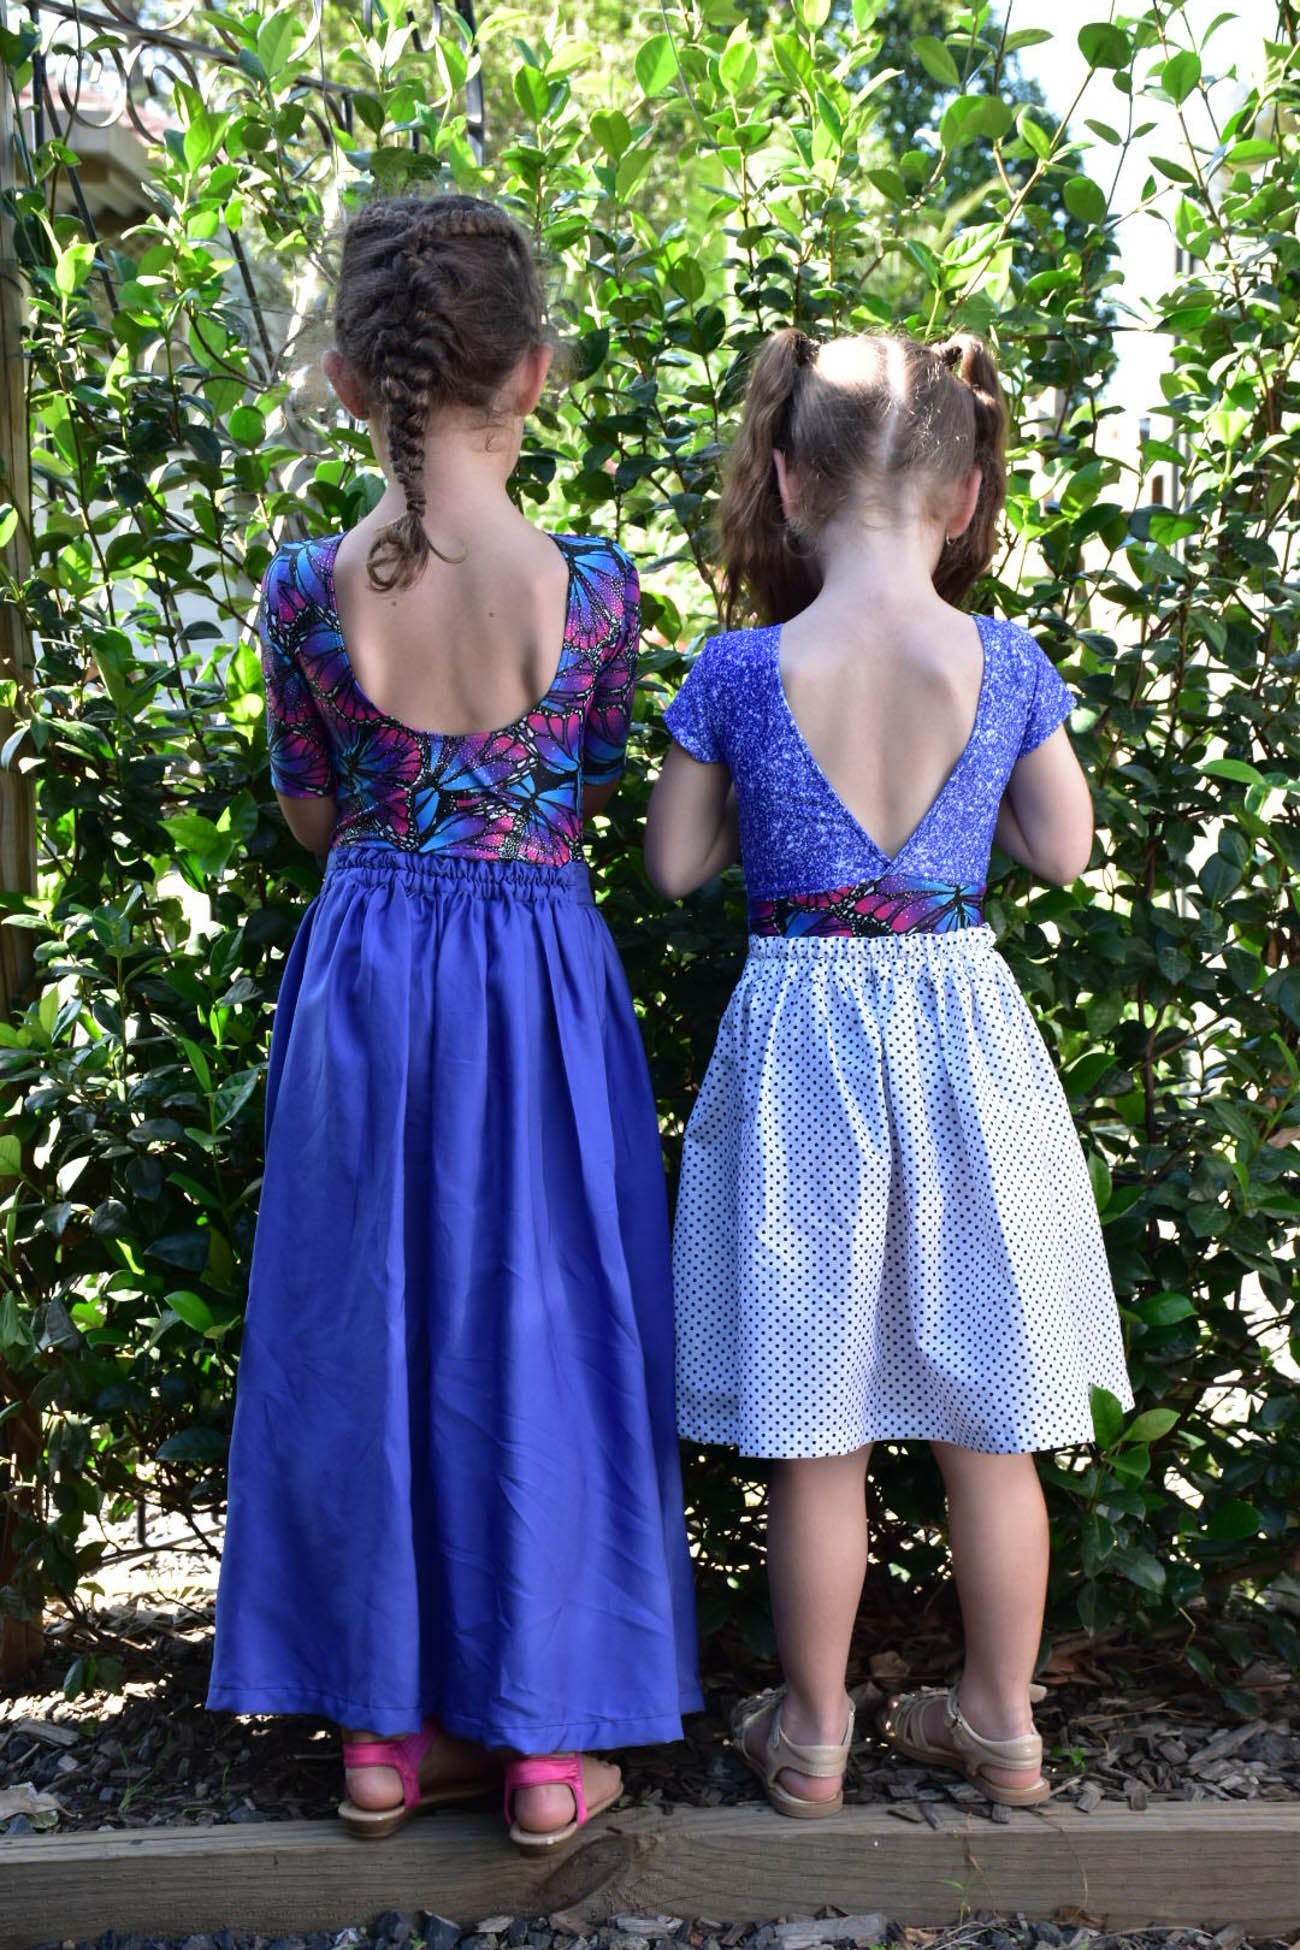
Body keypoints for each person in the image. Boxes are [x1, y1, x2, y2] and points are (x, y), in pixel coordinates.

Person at [208, 192, 702, 1852]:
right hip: (537, 985)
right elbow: (579, 787)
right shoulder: (598, 591)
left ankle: (379, 1734)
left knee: (368, 1325)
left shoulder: (304, 590)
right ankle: (548, 1748)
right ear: (535, 373)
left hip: (368, 977)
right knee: (542, 1332)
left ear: (351, 384)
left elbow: (311, 812)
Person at [644, 326, 1132, 1817]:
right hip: (963, 1042)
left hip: (801, 1052)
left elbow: (674, 866)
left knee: (817, 1431)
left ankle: (812, 1736)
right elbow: (1064, 847)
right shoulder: (1005, 661)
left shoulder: (740, 671)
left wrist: (774, 816)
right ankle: (1001, 1723)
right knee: (992, 1428)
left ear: (788, 482)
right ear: (966, 493)